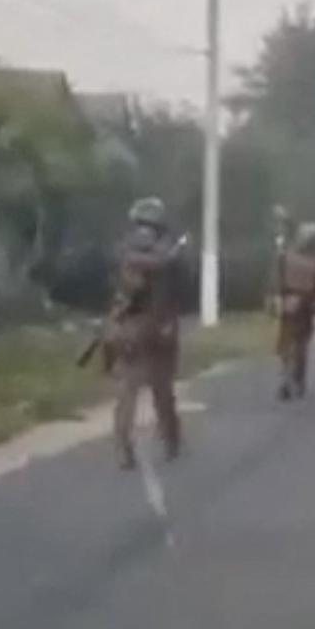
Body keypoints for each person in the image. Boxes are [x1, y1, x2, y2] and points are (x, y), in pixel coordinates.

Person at [105, 197, 186, 470]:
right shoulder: (170, 253)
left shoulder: (123, 250)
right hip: (160, 327)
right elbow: (179, 292)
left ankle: (122, 448)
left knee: (127, 391)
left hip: (126, 328)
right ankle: (171, 440)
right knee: (162, 389)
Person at [272, 221, 315, 400]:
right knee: (300, 344)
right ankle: (296, 380)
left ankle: (287, 380)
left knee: (288, 343)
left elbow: (276, 280)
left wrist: (276, 296)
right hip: (305, 303)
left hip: (291, 302)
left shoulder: (285, 256)